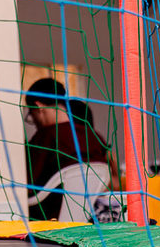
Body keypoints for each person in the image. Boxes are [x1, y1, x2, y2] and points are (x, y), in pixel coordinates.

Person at [23, 78, 112, 221]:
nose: (34, 122)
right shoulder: (94, 137)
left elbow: (27, 184)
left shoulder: (45, 138)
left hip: (46, 220)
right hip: (83, 219)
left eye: (31, 115)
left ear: (38, 106)